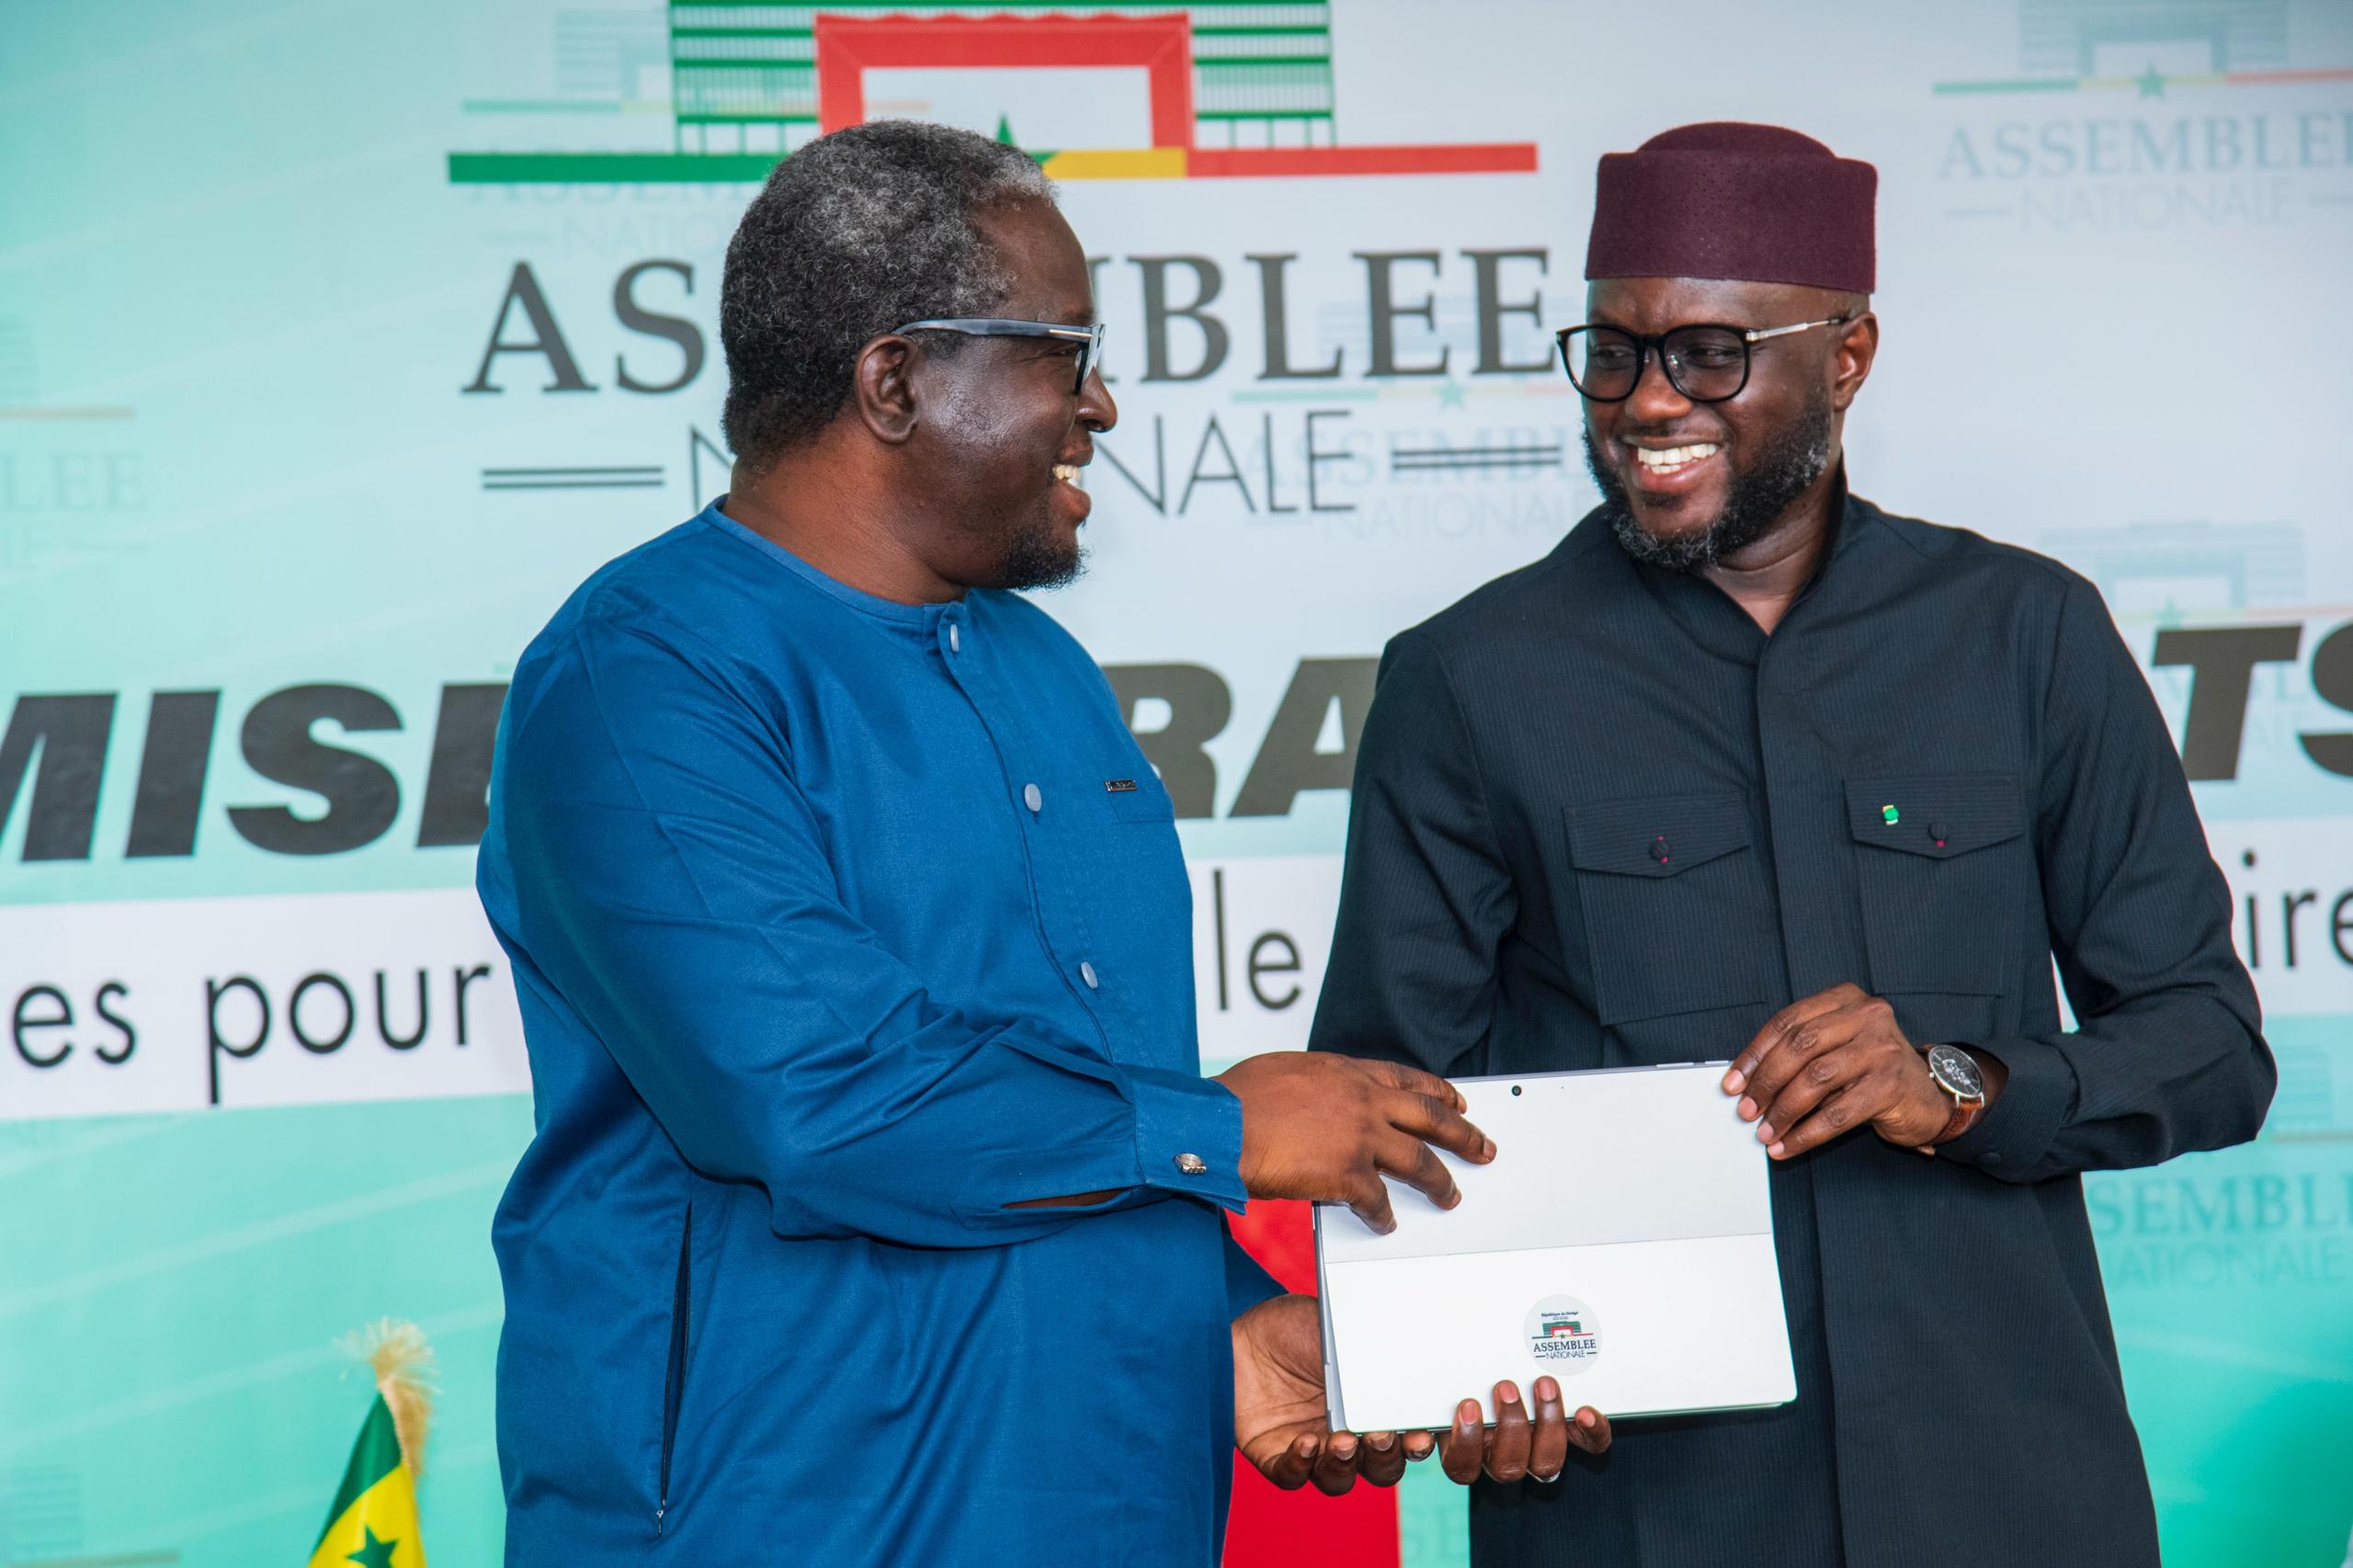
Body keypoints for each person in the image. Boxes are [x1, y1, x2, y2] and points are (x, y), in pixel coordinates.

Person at [476, 120, 1601, 1566]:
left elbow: (1059, 1093)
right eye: (1062, 354)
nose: (1105, 404)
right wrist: (1230, 1126)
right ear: (894, 379)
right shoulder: (644, 676)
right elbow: (819, 1100)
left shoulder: (1047, 676)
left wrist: (1229, 1330)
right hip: (795, 1516)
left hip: (1109, 1498)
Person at [1309, 121, 2273, 1567]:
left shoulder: (2025, 635)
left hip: (2005, 1490)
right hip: (1641, 1513)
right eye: (1616, 350)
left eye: (1710, 353)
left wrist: (1956, 1083)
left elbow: (2209, 1044)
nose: (1648, 400)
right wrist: (1454, 1358)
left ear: (1850, 354)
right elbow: (1391, 1110)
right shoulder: (1468, 678)